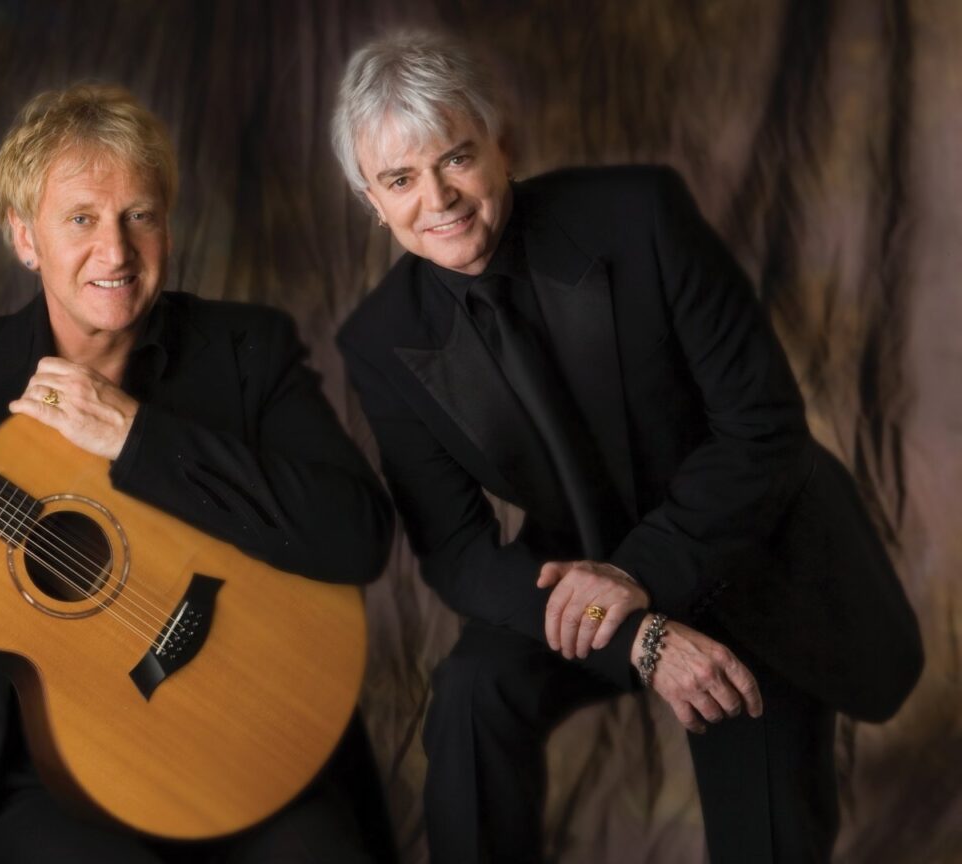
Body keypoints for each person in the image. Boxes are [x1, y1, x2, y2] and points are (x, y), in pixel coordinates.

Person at [330, 31, 922, 863]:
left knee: (763, 835)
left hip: (744, 547)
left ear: (502, 146)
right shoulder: (378, 338)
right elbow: (458, 554)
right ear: (371, 199)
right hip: (580, 573)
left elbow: (764, 428)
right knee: (470, 694)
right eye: (400, 180)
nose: (438, 199)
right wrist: (634, 631)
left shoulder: (639, 214)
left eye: (456, 158)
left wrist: (640, 576)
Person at [0, 83, 397, 864]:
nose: (117, 251)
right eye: (81, 220)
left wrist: (138, 436)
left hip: (252, 745)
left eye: (140, 216)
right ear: (24, 238)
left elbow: (358, 535)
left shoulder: (246, 350)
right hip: (58, 779)